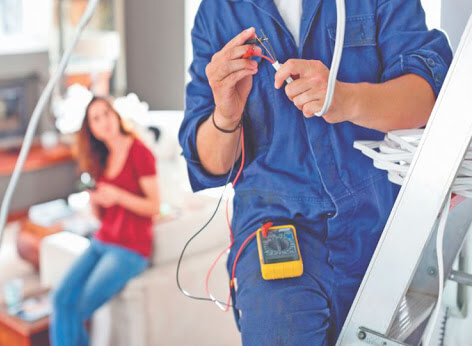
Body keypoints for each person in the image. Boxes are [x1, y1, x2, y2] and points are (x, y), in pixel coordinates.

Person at [179, 0, 453, 345]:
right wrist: (225, 115)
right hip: (273, 225)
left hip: (380, 226)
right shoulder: (218, 11)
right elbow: (211, 163)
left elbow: (430, 95)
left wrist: (346, 99)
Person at [50, 97, 160, 346]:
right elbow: (101, 218)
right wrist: (96, 202)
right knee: (59, 300)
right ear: (91, 129)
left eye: (106, 114)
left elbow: (153, 206)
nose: (103, 122)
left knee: (76, 310)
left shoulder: (139, 152)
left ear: (116, 115)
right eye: (95, 119)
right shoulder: (100, 158)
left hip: (130, 249)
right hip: (102, 241)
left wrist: (119, 196)